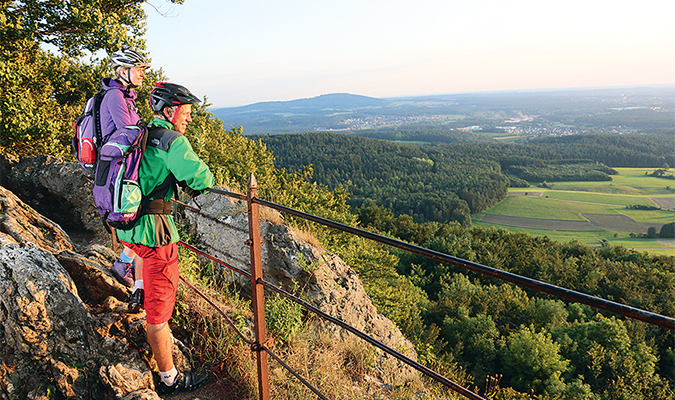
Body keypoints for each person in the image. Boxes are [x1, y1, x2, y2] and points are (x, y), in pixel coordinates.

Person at [116, 82, 214, 394]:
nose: (188, 119)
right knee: (159, 316)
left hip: (127, 226)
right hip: (155, 233)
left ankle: (139, 290)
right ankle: (170, 379)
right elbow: (202, 178)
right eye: (185, 113)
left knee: (142, 261)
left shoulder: (137, 133)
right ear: (170, 111)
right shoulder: (173, 141)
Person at [101, 48, 148, 307]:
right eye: (138, 69)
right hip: (120, 168)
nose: (142, 73)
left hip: (124, 166)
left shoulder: (124, 95)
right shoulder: (116, 97)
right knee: (134, 215)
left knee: (137, 215)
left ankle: (125, 263)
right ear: (123, 71)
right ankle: (125, 265)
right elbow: (128, 130)